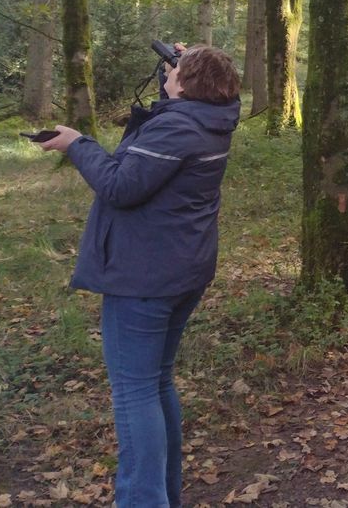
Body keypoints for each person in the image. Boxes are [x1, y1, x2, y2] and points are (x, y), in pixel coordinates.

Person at [36, 45, 241, 508]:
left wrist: (76, 144)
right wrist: (196, 62)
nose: (167, 75)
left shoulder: (178, 125)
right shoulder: (217, 116)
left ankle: (143, 501)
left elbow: (120, 187)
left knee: (134, 393)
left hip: (145, 277)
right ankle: (162, 495)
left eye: (175, 73)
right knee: (157, 382)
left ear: (187, 85)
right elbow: (217, 93)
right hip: (181, 269)